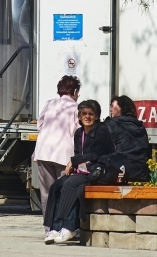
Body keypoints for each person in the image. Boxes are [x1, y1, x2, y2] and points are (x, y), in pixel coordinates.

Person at [43, 100, 114, 244]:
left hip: (98, 171)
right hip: (82, 171)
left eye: (91, 114)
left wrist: (74, 161)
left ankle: (69, 227)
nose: (87, 117)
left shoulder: (102, 130)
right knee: (56, 186)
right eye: (84, 114)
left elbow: (97, 154)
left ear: (97, 116)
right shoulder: (79, 132)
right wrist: (75, 165)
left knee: (71, 184)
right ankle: (55, 227)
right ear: (79, 116)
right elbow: (78, 154)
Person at [33, 76, 80, 223]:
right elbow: (78, 131)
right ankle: (62, 227)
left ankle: (48, 228)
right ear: (75, 91)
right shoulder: (75, 107)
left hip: (43, 151)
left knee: (46, 193)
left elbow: (39, 125)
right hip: (63, 155)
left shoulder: (49, 104)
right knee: (63, 192)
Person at [104, 95, 150, 183]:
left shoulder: (111, 124)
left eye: (113, 106)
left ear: (122, 108)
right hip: (141, 174)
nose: (110, 109)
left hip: (120, 174)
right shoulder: (140, 127)